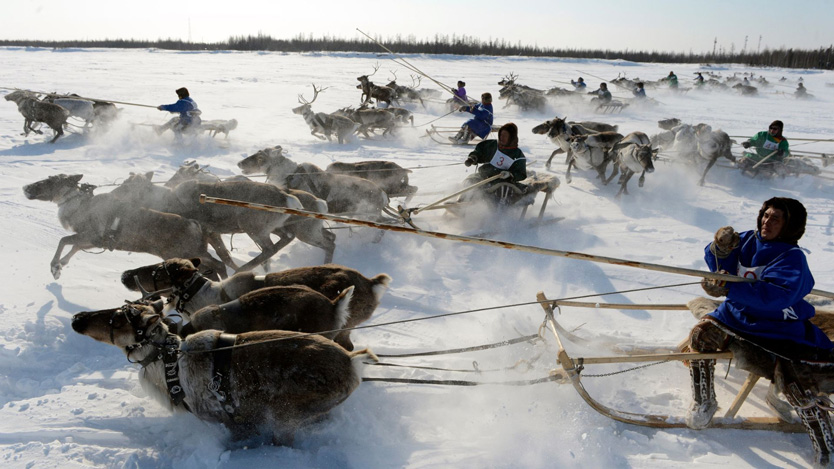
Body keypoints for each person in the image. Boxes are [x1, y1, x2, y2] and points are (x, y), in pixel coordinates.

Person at [686, 197, 834, 465]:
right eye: (765, 215)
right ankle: (704, 400)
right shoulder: (749, 240)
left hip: (777, 327)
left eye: (775, 218)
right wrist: (719, 248)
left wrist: (730, 288)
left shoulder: (792, 259)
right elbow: (722, 264)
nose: (767, 221)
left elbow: (773, 297)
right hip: (737, 316)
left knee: (798, 383)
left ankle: (827, 448)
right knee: (701, 335)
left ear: (790, 225)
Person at [463, 122, 527, 192]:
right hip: (483, 176)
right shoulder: (492, 145)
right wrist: (473, 158)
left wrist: (510, 174)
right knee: (469, 182)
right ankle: (463, 199)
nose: (502, 138)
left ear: (511, 138)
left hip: (501, 182)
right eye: (501, 135)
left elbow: (521, 174)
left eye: (505, 136)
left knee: (499, 190)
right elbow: (480, 152)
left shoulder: (518, 155)